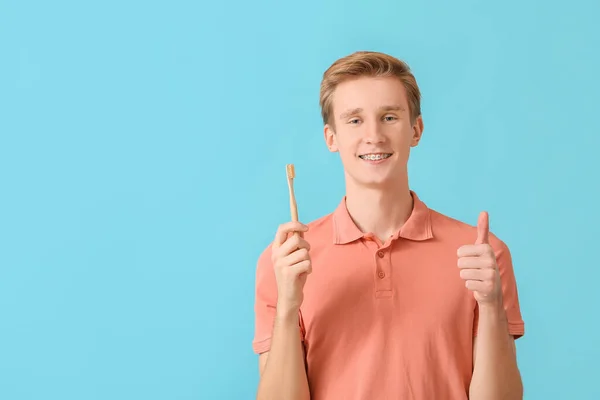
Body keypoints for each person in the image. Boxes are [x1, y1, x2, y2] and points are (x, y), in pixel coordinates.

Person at [252, 51, 525, 399]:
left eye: (389, 117)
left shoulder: (482, 255)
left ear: (416, 129)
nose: (374, 135)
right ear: (330, 138)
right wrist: (289, 306)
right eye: (354, 121)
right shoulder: (284, 262)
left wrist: (490, 306)